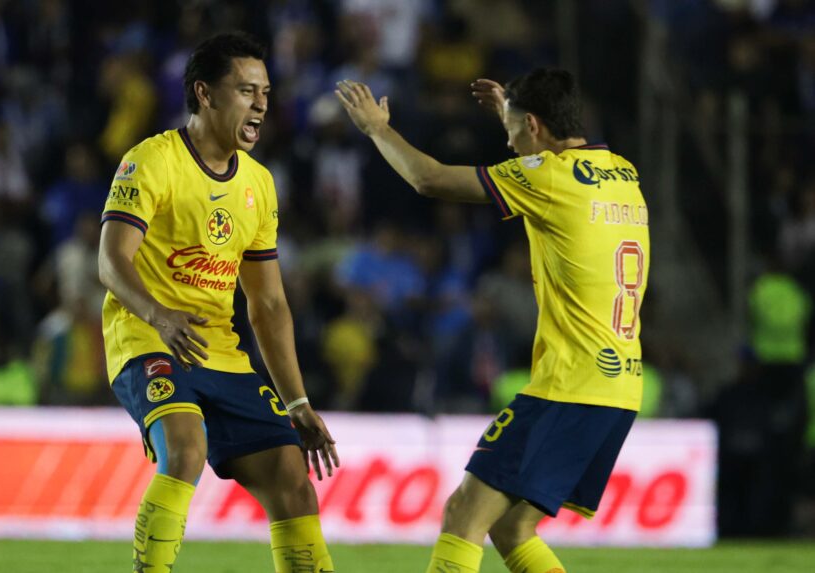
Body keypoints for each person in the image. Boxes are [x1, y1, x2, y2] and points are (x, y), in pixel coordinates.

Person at [336, 69, 650, 573]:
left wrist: (376, 128)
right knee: (511, 528)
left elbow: (429, 178)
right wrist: (517, 117)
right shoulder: (622, 173)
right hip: (617, 388)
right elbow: (548, 166)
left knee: (463, 514)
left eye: (512, 129)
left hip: (568, 386)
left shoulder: (549, 178)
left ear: (535, 126)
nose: (506, 139)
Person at [98, 33, 339, 573]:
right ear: (204, 94)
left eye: (266, 92)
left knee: (292, 481)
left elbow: (269, 305)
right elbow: (111, 261)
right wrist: (159, 315)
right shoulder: (152, 160)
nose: (261, 104)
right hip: (148, 339)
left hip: (221, 354)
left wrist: (298, 403)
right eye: (246, 90)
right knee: (186, 449)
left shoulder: (259, 183)